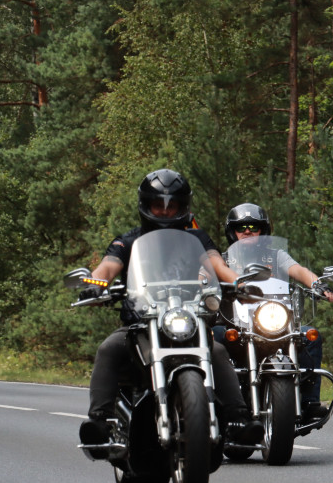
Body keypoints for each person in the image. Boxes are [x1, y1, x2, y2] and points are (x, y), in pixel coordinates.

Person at [78, 169, 265, 447]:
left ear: (183, 206)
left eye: (172, 206)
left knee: (217, 350)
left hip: (188, 318)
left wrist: (238, 284)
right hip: (141, 323)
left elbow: (218, 265)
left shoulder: (198, 239)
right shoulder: (128, 240)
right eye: (158, 205)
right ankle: (100, 421)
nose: (165, 212)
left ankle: (238, 420)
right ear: (146, 205)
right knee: (109, 347)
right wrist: (96, 283)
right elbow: (107, 266)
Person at [218, 203, 333, 420]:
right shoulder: (223, 260)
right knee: (213, 338)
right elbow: (203, 277)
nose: (247, 231)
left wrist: (318, 285)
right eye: (241, 227)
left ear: (263, 230)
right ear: (232, 231)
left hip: (273, 320)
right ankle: (210, 402)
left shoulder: (276, 256)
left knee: (310, 337)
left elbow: (298, 271)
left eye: (253, 226)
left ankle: (308, 401)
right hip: (234, 323)